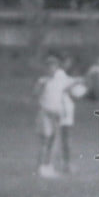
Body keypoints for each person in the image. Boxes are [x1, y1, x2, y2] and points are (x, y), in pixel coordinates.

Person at [33, 51, 73, 179]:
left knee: (54, 140)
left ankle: (49, 165)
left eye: (54, 66)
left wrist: (64, 110)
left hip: (57, 113)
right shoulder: (43, 81)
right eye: (49, 66)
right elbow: (35, 94)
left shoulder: (60, 80)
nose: (51, 69)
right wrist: (40, 87)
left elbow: (63, 95)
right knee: (45, 139)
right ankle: (41, 166)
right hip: (45, 112)